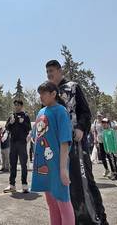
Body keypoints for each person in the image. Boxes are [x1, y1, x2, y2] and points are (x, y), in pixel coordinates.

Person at [46, 59, 108, 225]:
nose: (49, 74)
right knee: (65, 184)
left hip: (76, 142)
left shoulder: (73, 86)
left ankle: (98, 219)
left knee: (84, 180)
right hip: (57, 145)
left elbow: (85, 112)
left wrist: (81, 128)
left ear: (60, 70)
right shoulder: (49, 93)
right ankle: (74, 219)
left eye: (52, 70)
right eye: (47, 72)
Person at [31, 81, 75, 225]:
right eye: (40, 94)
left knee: (63, 201)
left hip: (57, 165)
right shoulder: (41, 112)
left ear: (53, 94)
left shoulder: (61, 111)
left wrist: (63, 169)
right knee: (51, 204)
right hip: (43, 165)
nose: (41, 97)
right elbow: (36, 135)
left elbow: (64, 142)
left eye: (44, 93)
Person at [4, 98, 32, 193]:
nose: (16, 107)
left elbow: (29, 128)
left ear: (21, 106)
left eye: (18, 105)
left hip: (22, 143)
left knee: (23, 164)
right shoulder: (12, 116)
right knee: (13, 164)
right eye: (15, 105)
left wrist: (23, 122)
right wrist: (10, 123)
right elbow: (6, 127)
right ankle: (12, 185)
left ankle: (24, 185)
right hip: (13, 142)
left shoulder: (26, 116)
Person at [92, 113, 111, 177]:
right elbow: (95, 131)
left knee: (109, 155)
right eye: (98, 116)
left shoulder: (105, 121)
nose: (99, 117)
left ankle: (114, 170)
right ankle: (106, 169)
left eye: (100, 116)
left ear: (102, 116)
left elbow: (109, 129)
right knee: (102, 157)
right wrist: (95, 139)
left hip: (107, 141)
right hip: (100, 141)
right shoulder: (95, 122)